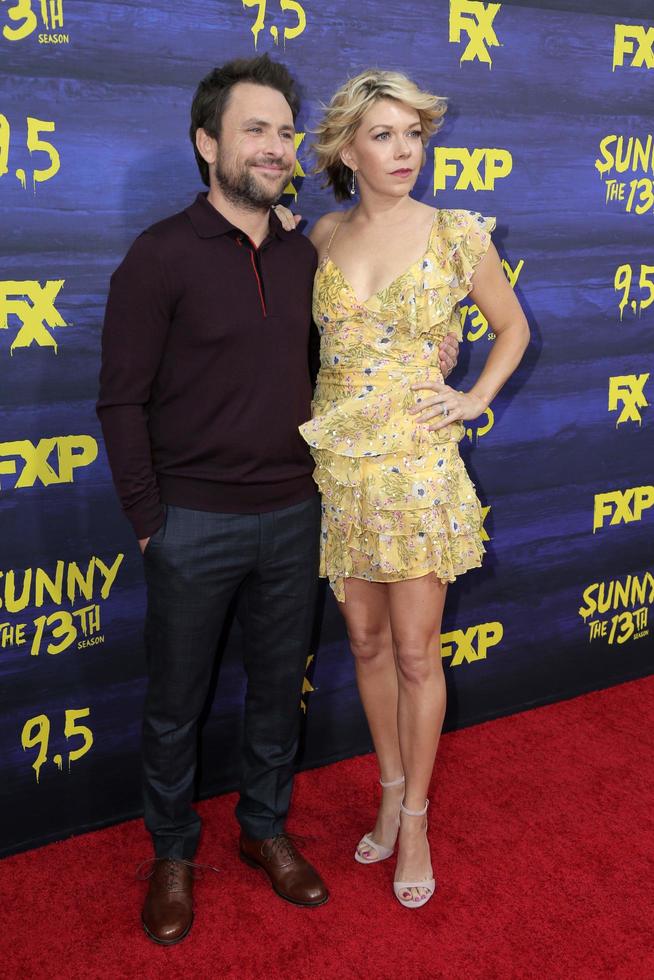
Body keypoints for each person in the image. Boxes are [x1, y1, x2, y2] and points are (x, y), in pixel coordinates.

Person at [97, 55, 461, 943]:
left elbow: (355, 353)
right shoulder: (158, 256)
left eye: (283, 131)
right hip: (191, 523)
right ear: (206, 142)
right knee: (176, 702)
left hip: (301, 515)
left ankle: (263, 830)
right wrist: (152, 526)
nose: (273, 146)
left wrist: (435, 355)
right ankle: (174, 854)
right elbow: (119, 401)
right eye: (253, 129)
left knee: (274, 696)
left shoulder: (309, 251)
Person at [298, 69, 530, 909]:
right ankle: (389, 789)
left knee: (414, 651)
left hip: (418, 471)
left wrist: (473, 397)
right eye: (385, 136)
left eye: (414, 134)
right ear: (347, 149)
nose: (405, 151)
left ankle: (420, 816)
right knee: (361, 646)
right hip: (342, 473)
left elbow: (513, 326)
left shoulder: (456, 233)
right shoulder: (320, 234)